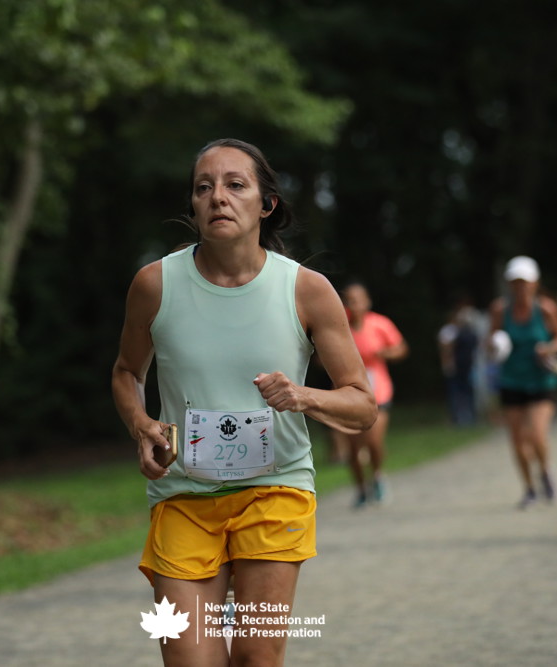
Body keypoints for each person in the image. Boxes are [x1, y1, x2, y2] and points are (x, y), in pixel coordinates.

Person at [111, 138, 376, 666]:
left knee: (256, 656)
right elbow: (126, 372)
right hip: (184, 495)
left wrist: (301, 396)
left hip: (275, 491)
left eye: (235, 185)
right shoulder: (155, 284)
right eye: (203, 187)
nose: (218, 197)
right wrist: (141, 424)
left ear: (267, 203)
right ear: (193, 205)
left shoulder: (306, 289)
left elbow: (362, 404)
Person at [487, 257, 557, 509]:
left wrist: (550, 348)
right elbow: (491, 341)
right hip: (511, 380)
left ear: (535, 283)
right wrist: (495, 346)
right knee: (517, 440)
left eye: (524, 282)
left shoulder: (545, 309)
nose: (520, 287)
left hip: (541, 380)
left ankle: (545, 471)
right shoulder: (500, 310)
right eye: (515, 282)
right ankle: (530, 488)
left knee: (536, 434)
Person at [338, 280, 408, 507]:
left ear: (367, 301)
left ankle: (377, 476)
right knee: (353, 448)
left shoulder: (380, 323)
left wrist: (384, 353)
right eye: (349, 300)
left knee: (373, 441)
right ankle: (360, 489)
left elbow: (401, 348)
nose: (354, 304)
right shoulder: (339, 326)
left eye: (357, 300)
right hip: (347, 393)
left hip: (379, 391)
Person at [438, 299, 480, 427]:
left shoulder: (463, 332)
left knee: (463, 391)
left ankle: (467, 417)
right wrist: (447, 363)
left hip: (465, 367)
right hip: (459, 366)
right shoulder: (451, 331)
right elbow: (446, 348)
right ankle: (459, 417)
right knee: (458, 392)